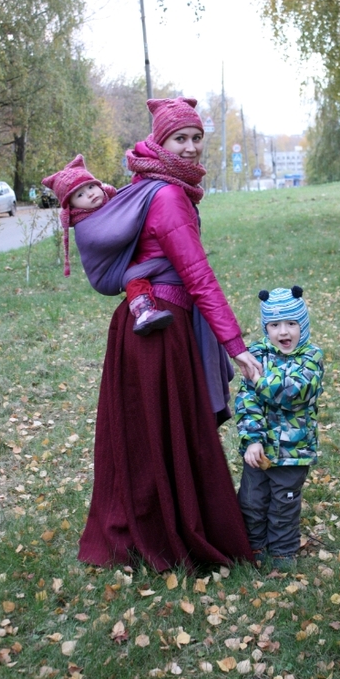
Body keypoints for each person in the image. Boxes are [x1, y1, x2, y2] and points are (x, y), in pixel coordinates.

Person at [76, 97, 262, 572]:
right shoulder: (167, 196)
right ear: (160, 142)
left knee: (149, 435)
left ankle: (146, 526)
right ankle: (172, 532)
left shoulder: (150, 184)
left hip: (143, 324)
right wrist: (236, 346)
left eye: (197, 137)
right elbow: (198, 276)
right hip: (159, 330)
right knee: (171, 433)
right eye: (181, 138)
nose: (192, 147)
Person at [235, 286, 324, 571]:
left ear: (303, 325)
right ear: (266, 327)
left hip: (293, 452)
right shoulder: (256, 354)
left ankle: (283, 552)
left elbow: (293, 392)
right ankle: (254, 546)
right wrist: (252, 439)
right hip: (259, 450)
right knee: (251, 500)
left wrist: (258, 381)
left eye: (291, 324)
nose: (283, 331)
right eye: (274, 325)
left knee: (283, 504)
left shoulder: (311, 357)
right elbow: (247, 400)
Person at [42, 156, 173, 336]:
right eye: (80, 195)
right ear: (71, 206)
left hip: (123, 255)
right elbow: (116, 234)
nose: (89, 194)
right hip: (108, 271)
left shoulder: (112, 200)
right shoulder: (83, 223)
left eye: (90, 186)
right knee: (134, 277)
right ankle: (143, 312)